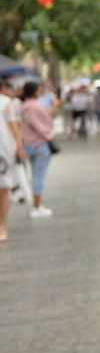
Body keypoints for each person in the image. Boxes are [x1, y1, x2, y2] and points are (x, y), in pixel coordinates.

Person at [20, 81, 56, 218]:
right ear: (35, 91)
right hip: (39, 144)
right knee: (39, 176)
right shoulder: (35, 107)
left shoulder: (23, 106)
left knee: (35, 174)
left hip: (28, 144)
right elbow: (44, 124)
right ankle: (36, 206)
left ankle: (36, 205)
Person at [0, 81, 26, 241]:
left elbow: (14, 126)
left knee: (3, 188)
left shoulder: (5, 102)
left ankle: (2, 224)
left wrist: (19, 146)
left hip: (3, 151)